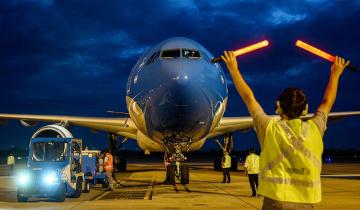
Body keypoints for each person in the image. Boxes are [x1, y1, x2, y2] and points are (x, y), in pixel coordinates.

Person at [221, 51, 349, 209]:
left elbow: (249, 98)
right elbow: (327, 102)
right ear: (305, 110)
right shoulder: (315, 128)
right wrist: (336, 73)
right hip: (307, 203)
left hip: (276, 202)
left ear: (277, 108)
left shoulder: (269, 128)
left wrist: (233, 69)